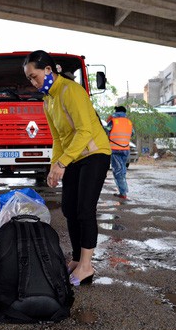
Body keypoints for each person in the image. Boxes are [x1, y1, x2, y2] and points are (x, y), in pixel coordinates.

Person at [23, 50, 111, 287]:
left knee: (84, 209)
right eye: (29, 79)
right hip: (74, 157)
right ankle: (76, 259)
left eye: (34, 76)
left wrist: (63, 162)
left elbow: (84, 131)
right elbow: (58, 138)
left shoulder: (71, 91)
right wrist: (54, 166)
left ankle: (87, 265)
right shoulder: (48, 100)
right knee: (70, 210)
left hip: (95, 155)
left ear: (48, 70)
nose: (32, 82)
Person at [106, 106, 134, 200]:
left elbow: (106, 130)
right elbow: (132, 133)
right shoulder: (129, 122)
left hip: (115, 149)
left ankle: (123, 193)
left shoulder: (113, 120)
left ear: (116, 112)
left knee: (118, 172)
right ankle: (123, 191)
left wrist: (108, 121)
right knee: (122, 170)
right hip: (125, 149)